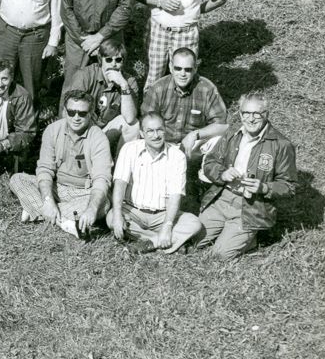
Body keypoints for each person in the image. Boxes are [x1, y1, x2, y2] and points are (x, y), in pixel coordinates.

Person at [198, 92, 297, 261]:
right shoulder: (232, 133)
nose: (251, 119)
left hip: (250, 207)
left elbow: (290, 186)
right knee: (192, 239)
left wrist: (264, 187)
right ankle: (232, 233)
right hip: (222, 198)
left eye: (256, 114)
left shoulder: (281, 145)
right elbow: (210, 162)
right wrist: (222, 173)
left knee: (220, 254)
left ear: (266, 114)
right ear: (240, 113)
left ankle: (251, 238)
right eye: (246, 113)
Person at [9, 90, 112, 238]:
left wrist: (91, 209)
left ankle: (35, 209)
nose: (76, 118)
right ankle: (64, 221)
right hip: (56, 187)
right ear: (64, 112)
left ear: (90, 114)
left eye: (82, 113)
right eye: (71, 112)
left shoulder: (98, 138)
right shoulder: (52, 130)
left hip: (83, 192)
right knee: (17, 179)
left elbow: (101, 178)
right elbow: (45, 169)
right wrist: (48, 200)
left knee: (103, 203)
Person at [108, 112, 204, 254]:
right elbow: (120, 184)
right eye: (150, 131)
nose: (156, 135)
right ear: (142, 133)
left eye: (159, 130)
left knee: (194, 223)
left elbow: (175, 196)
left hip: (163, 215)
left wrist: (167, 225)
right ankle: (165, 241)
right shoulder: (129, 149)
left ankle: (147, 243)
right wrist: (117, 215)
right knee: (111, 217)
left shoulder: (177, 156)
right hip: (133, 211)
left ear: (165, 130)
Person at [139, 48, 228, 157]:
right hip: (163, 144)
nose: (182, 74)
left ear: (195, 69)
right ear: (170, 67)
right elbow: (146, 124)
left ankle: (206, 166)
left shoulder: (207, 89)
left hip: (193, 145)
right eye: (178, 68)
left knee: (218, 140)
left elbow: (222, 126)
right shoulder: (158, 88)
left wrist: (195, 135)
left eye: (188, 69)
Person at [65, 39, 140, 152]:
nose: (113, 64)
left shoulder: (128, 81)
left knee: (133, 125)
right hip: (84, 129)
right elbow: (72, 111)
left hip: (106, 130)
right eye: (108, 60)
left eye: (118, 60)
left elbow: (130, 119)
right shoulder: (85, 75)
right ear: (101, 60)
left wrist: (124, 86)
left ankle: (122, 161)